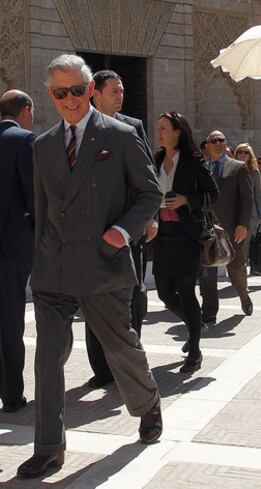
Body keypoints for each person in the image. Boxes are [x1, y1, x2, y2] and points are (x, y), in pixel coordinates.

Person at [17, 54, 163, 478]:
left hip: (104, 264)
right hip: (53, 271)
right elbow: (43, 210)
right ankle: (48, 447)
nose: (69, 100)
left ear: (90, 91)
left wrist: (122, 231)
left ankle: (148, 403)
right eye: (60, 93)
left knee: (120, 346)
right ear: (50, 95)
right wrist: (38, 258)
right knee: (47, 359)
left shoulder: (119, 135)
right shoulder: (43, 145)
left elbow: (149, 193)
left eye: (77, 91)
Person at [82, 69, 157, 389]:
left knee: (133, 295)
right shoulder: (79, 127)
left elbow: (147, 176)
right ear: (94, 92)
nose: (120, 94)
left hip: (127, 227)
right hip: (89, 229)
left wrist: (149, 218)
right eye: (113, 90)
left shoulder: (133, 126)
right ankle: (101, 369)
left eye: (122, 90)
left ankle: (127, 359)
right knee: (94, 297)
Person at [153, 112, 219, 372]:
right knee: (165, 294)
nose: (158, 132)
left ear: (177, 132)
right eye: (157, 128)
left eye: (163, 128)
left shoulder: (193, 161)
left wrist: (186, 200)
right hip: (163, 234)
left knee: (187, 291)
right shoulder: (156, 158)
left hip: (187, 236)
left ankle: (194, 349)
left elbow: (213, 193)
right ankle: (195, 327)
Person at [0, 90, 35, 413]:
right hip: (12, 248)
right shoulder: (24, 141)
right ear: (25, 110)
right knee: (10, 319)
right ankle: (11, 393)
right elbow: (34, 195)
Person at [199, 130, 253, 323]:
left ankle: (244, 297)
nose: (218, 143)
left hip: (232, 229)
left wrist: (243, 224)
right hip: (206, 229)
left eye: (221, 140)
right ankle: (209, 310)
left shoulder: (238, 168)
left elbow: (247, 199)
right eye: (213, 140)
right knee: (207, 270)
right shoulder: (201, 167)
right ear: (207, 145)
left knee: (236, 268)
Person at [234, 143, 261, 271]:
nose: (243, 154)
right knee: (235, 244)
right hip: (234, 213)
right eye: (240, 152)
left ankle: (241, 274)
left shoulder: (254, 172)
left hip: (251, 215)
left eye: (246, 153)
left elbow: (258, 194)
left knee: (245, 246)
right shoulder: (231, 169)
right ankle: (236, 272)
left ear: (250, 156)